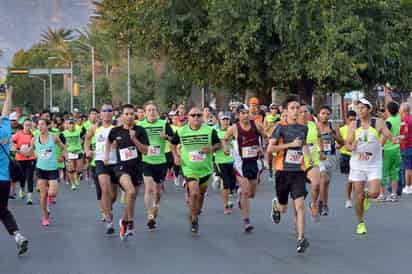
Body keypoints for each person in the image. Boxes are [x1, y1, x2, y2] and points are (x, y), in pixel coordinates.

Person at [346, 98, 399, 235]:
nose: (360, 110)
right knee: (358, 197)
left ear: (369, 109)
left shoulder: (378, 123)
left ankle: (366, 195)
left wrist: (395, 139)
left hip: (374, 163)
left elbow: (389, 136)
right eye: (358, 108)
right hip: (357, 163)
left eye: (363, 108)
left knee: (375, 193)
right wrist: (352, 147)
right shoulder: (354, 124)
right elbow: (348, 143)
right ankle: (360, 223)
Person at [267, 95, 312, 253]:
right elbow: (270, 149)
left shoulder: (303, 128)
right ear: (285, 111)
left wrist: (309, 161)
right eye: (292, 108)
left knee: (300, 206)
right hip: (282, 172)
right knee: (284, 208)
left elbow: (304, 145)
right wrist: (290, 145)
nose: (295, 111)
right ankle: (276, 206)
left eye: (297, 108)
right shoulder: (279, 127)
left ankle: (301, 238)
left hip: (298, 172)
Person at [171, 107, 221, 234]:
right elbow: (172, 143)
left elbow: (218, 144)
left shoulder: (209, 130)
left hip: (205, 169)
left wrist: (210, 149)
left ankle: (196, 212)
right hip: (189, 168)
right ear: (188, 117)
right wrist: (176, 157)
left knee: (201, 194)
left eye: (199, 115)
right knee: (194, 192)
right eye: (193, 115)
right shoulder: (182, 131)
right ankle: (193, 219)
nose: (196, 118)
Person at [106, 104, 149, 240]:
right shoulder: (115, 131)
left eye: (132, 114)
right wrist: (107, 155)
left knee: (132, 198)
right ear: (122, 116)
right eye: (127, 114)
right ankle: (131, 223)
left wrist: (134, 138)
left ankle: (124, 221)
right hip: (121, 168)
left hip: (136, 168)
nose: (129, 116)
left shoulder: (140, 130)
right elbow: (109, 142)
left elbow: (145, 151)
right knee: (130, 191)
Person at [223, 104, 266, 233]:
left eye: (247, 112)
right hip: (240, 164)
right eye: (242, 113)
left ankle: (241, 196)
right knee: (246, 191)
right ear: (238, 115)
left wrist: (261, 148)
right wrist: (226, 148)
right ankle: (246, 221)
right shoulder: (234, 128)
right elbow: (225, 139)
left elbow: (267, 137)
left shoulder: (257, 126)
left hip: (254, 162)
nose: (245, 115)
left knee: (252, 193)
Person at [0, 85, 29, 255]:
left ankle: (18, 237)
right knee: (3, 211)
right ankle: (18, 236)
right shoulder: (4, 129)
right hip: (4, 180)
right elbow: (5, 110)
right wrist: (9, 94)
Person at [23, 119, 66, 226]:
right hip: (41, 169)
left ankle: (50, 197)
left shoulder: (54, 137)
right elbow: (28, 153)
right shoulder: (35, 139)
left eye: (42, 124)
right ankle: (45, 217)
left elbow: (63, 147)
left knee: (52, 193)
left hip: (52, 169)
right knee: (42, 196)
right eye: (38, 125)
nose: (40, 126)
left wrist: (62, 156)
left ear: (47, 126)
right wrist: (18, 151)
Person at [139, 102, 174, 230]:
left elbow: (174, 139)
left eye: (154, 110)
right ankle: (150, 215)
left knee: (157, 192)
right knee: (148, 188)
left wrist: (167, 137)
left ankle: (156, 205)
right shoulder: (140, 125)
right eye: (149, 110)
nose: (152, 112)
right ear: (145, 113)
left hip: (161, 161)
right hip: (146, 161)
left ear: (157, 112)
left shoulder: (163, 124)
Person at [85, 104, 118, 234]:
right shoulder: (95, 128)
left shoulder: (117, 128)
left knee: (113, 195)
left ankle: (107, 208)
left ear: (113, 113)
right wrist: (87, 150)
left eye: (109, 111)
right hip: (100, 161)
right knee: (105, 189)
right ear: (101, 114)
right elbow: (87, 139)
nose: (107, 113)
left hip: (115, 162)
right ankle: (109, 220)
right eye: (104, 110)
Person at [317, 105, 344, 216]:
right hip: (318, 157)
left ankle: (323, 203)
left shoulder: (333, 126)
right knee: (323, 180)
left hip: (331, 156)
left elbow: (342, 142)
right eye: (323, 113)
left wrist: (333, 134)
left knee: (326, 183)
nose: (325, 116)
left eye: (328, 114)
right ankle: (322, 205)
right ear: (319, 115)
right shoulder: (314, 126)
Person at [298, 104, 321, 221]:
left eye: (305, 111)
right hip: (297, 161)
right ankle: (297, 220)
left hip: (313, 159)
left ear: (309, 113)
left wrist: (321, 150)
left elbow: (320, 137)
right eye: (300, 112)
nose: (303, 114)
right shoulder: (293, 127)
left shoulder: (314, 125)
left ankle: (313, 203)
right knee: (297, 194)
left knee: (317, 184)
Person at [215, 112, 236, 214]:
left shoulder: (233, 130)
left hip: (233, 161)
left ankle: (228, 196)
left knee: (233, 184)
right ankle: (226, 206)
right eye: (223, 119)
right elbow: (213, 145)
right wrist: (221, 144)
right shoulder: (215, 131)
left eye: (227, 119)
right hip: (221, 161)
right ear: (220, 120)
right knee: (226, 183)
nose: (226, 121)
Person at [380, 101, 401, 202]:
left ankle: (382, 194)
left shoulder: (388, 122)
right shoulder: (398, 118)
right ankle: (393, 194)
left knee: (383, 172)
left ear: (388, 110)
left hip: (387, 149)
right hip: (396, 148)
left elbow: (384, 136)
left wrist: (380, 147)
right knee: (394, 172)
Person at [11, 119, 35, 204]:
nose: (28, 127)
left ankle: (30, 197)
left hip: (30, 158)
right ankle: (22, 188)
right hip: (20, 159)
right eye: (26, 125)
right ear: (23, 126)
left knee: (29, 177)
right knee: (22, 177)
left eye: (29, 125)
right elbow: (12, 142)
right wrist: (15, 148)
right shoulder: (18, 134)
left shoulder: (33, 135)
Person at [337, 110, 357, 208]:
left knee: (356, 179)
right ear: (347, 119)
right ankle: (348, 200)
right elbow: (337, 145)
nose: (352, 122)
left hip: (357, 156)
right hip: (346, 156)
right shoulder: (342, 129)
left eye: (354, 119)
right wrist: (345, 143)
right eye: (350, 119)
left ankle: (354, 193)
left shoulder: (359, 128)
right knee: (350, 178)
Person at [61, 119, 85, 191]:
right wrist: (62, 153)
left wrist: (82, 141)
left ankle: (77, 177)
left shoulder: (78, 132)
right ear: (67, 126)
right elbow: (61, 144)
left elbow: (85, 134)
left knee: (79, 169)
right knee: (70, 169)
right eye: (70, 124)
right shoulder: (63, 134)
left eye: (73, 124)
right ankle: (73, 184)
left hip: (78, 151)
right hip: (69, 152)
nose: (71, 126)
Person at [400, 103, 412, 194]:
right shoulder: (411, 118)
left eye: (400, 108)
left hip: (407, 146)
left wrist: (398, 138)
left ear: (404, 110)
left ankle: (408, 187)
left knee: (408, 168)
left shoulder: (404, 120)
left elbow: (405, 133)